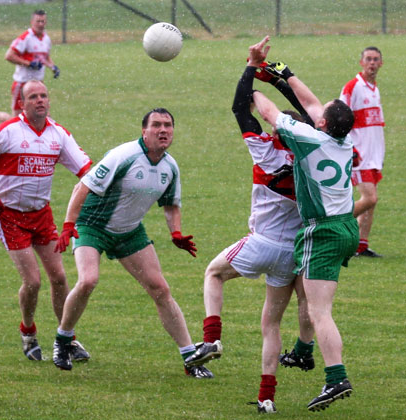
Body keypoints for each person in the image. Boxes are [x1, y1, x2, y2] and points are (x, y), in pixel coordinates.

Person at [184, 54, 315, 414]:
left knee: (213, 273)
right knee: (271, 325)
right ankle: (266, 397)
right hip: (292, 254)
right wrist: (281, 83)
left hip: (260, 244)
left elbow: (239, 108)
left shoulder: (266, 151)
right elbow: (309, 113)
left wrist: (252, 69)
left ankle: (211, 339)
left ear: (280, 130)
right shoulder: (314, 159)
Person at [51, 108, 214, 378]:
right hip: (93, 226)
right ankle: (63, 340)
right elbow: (83, 187)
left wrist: (176, 233)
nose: (163, 130)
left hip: (129, 232)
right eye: (157, 125)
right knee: (88, 280)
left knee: (160, 289)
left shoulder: (170, 167)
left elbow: (171, 204)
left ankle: (190, 358)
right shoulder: (124, 156)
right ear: (144, 131)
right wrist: (69, 224)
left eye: (168, 125)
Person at [249, 36, 359, 412]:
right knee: (316, 303)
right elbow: (312, 105)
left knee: (319, 310)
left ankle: (336, 377)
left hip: (323, 231)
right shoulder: (343, 141)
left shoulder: (308, 140)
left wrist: (250, 79)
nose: (316, 110)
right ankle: (304, 352)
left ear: (323, 123)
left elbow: (268, 113)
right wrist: (282, 73)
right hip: (347, 226)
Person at [0, 80, 92, 363]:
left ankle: (66, 337)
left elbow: (87, 171)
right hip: (9, 216)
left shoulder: (58, 135)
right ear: (21, 103)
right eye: (32, 96)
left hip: (41, 215)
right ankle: (28, 331)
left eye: (43, 95)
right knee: (33, 281)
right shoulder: (5, 132)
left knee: (59, 278)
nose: (39, 100)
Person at [0, 9, 60, 125]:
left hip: (38, 83)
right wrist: (29, 64)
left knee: (43, 117)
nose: (41, 24)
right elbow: (9, 56)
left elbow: (45, 57)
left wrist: (53, 67)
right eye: (38, 21)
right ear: (31, 22)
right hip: (22, 84)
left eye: (43, 21)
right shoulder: (25, 38)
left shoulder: (46, 39)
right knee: (18, 121)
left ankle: (46, 142)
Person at [340, 47, 384, 257]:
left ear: (381, 63)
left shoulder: (374, 88)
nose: (372, 63)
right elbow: (340, 117)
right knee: (370, 198)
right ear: (361, 62)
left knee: (371, 203)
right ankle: (334, 225)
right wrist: (351, 148)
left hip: (374, 156)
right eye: (368, 59)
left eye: (376, 59)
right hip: (360, 156)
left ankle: (361, 246)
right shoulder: (353, 87)